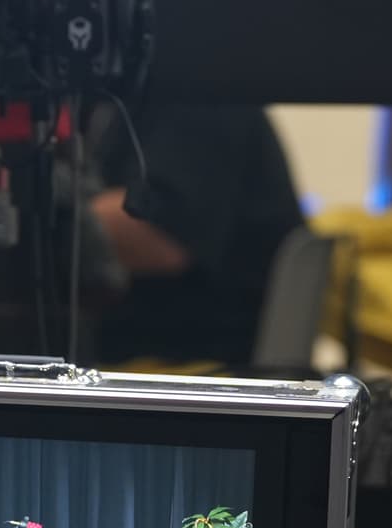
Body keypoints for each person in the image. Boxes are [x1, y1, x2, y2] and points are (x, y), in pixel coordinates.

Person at [81, 103, 305, 366]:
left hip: (192, 360)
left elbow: (160, 234)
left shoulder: (200, 94)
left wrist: (42, 215)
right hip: (147, 350)